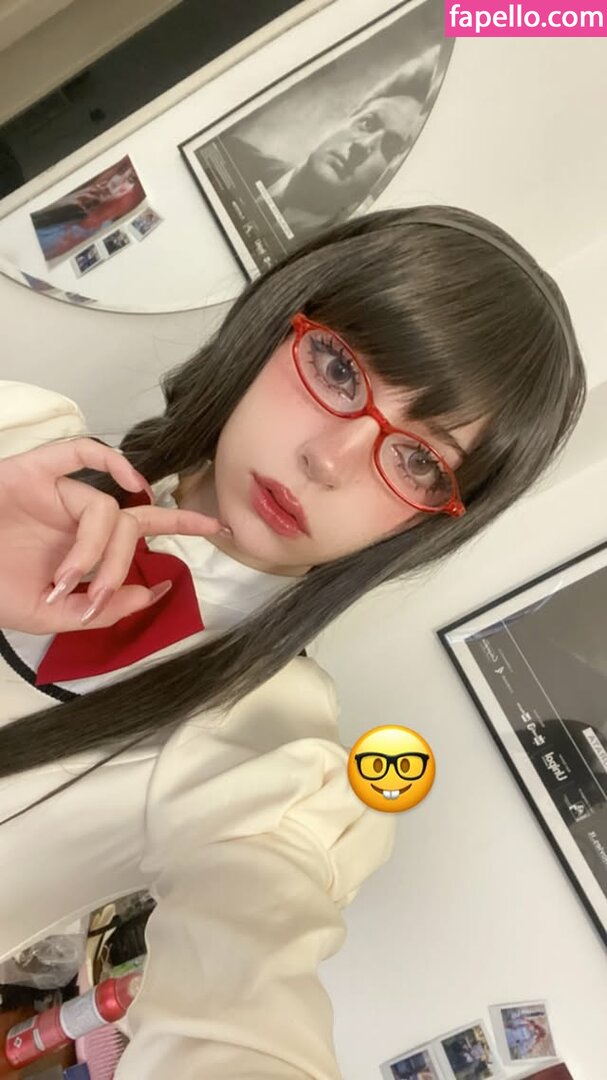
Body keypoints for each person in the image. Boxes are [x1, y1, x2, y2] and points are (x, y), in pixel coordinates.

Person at [0, 205, 586, 1076]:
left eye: (420, 461)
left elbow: (245, 999)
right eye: (338, 369)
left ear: (430, 522)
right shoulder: (17, 440)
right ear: (277, 323)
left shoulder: (270, 751)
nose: (330, 460)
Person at [222, 47, 441, 237]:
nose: (362, 146)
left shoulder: (326, 254)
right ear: (345, 120)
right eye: (367, 123)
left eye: (390, 148)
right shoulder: (230, 155)